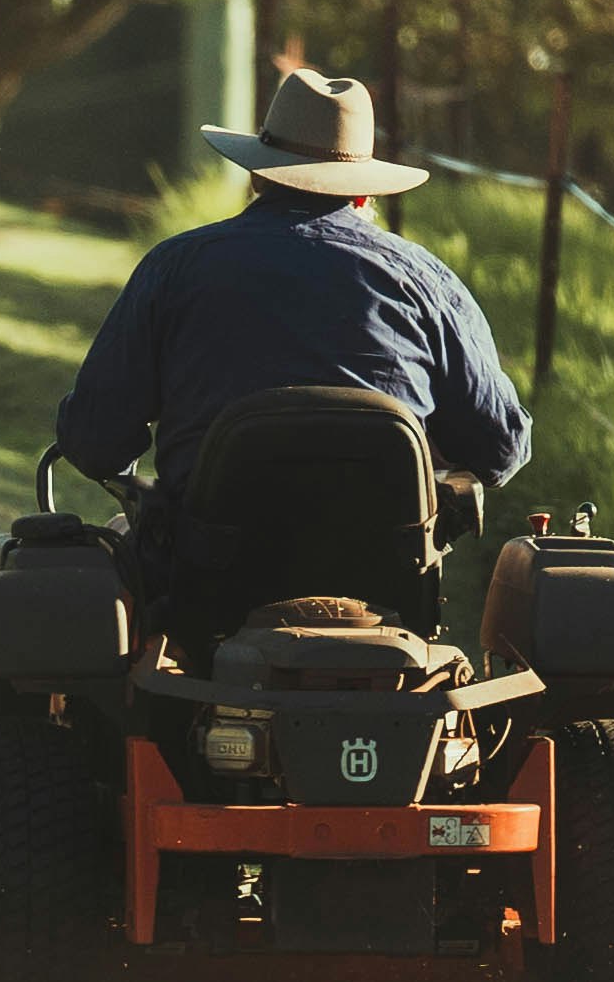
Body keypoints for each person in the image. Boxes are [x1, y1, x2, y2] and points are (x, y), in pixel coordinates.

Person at [54, 64, 529, 637]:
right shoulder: (425, 282)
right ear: (365, 189)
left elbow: (95, 441)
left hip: (209, 581)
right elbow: (501, 447)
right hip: (385, 589)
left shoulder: (175, 267)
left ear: (258, 176)